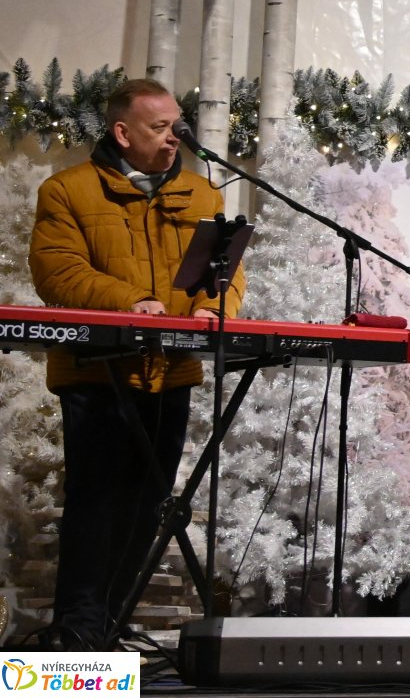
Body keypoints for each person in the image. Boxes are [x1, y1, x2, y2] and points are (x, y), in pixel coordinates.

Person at [29, 78, 246, 650]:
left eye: (178, 126)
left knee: (148, 506)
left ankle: (111, 626)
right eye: (160, 127)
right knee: (95, 504)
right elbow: (57, 271)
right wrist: (128, 303)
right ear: (122, 133)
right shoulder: (67, 191)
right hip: (97, 374)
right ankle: (78, 634)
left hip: (170, 373)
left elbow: (226, 271)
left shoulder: (204, 196)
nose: (175, 137)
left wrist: (212, 308)